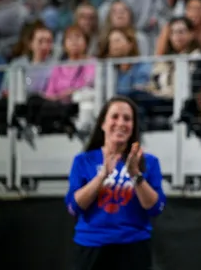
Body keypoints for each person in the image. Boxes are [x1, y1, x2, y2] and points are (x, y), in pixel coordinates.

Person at [65, 96, 165, 270]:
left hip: (134, 248)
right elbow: (74, 207)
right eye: (115, 116)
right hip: (91, 248)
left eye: (127, 118)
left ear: (133, 126)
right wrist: (101, 176)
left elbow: (156, 208)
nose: (120, 123)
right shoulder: (83, 160)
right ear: (103, 124)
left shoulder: (148, 162)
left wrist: (135, 174)